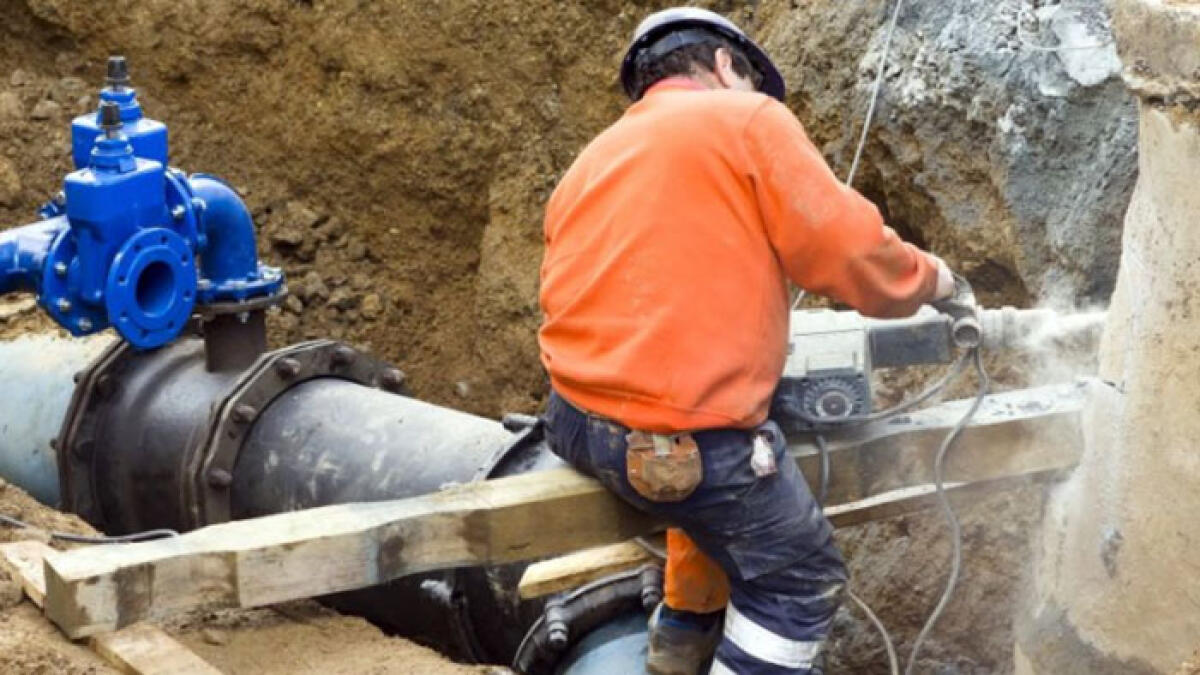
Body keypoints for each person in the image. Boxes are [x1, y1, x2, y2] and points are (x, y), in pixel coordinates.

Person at [538, 7, 955, 674]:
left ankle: (685, 630)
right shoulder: (746, 118)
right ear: (726, 64)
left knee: (713, 489)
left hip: (574, 421)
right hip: (675, 445)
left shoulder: (596, 157)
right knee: (799, 579)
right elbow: (848, 254)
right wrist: (932, 279)